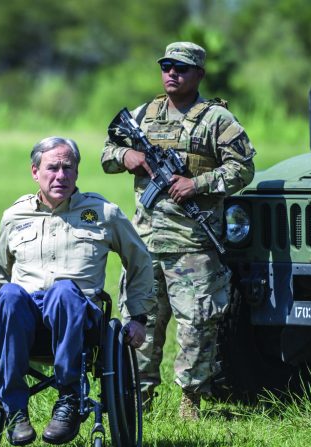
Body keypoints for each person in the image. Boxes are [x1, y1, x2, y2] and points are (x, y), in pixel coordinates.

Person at [101, 42, 255, 419]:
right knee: (141, 323)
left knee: (197, 325)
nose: (172, 73)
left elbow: (244, 168)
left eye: (182, 68)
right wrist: (127, 156)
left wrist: (196, 185)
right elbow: (107, 154)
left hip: (194, 244)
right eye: (167, 66)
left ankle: (191, 399)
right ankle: (140, 399)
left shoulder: (217, 119)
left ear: (199, 75)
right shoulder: (143, 115)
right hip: (144, 243)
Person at [0, 136, 154, 446]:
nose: (60, 176)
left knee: (63, 291)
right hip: (25, 320)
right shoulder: (15, 216)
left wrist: (138, 317)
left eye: (68, 168)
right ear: (35, 171)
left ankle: (69, 400)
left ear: (77, 172)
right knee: (8, 296)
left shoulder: (104, 213)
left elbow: (140, 261)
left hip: (79, 316)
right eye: (52, 168)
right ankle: (15, 411)